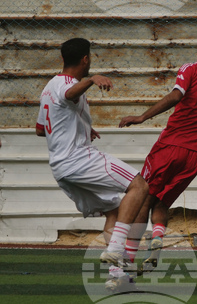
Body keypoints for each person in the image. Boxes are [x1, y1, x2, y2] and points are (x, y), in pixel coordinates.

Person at [110, 27, 197, 269]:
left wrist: (142, 117)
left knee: (143, 197)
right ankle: (156, 241)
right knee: (162, 203)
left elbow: (176, 96)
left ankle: (128, 259)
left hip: (170, 146)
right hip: (196, 155)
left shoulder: (191, 69)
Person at [37, 38, 149, 290]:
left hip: (61, 169)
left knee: (113, 211)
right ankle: (117, 249)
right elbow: (69, 94)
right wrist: (92, 79)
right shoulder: (67, 84)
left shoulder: (47, 87)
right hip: (79, 160)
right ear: (85, 59)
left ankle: (115, 274)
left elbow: (40, 129)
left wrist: (82, 127)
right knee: (140, 186)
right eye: (91, 60)